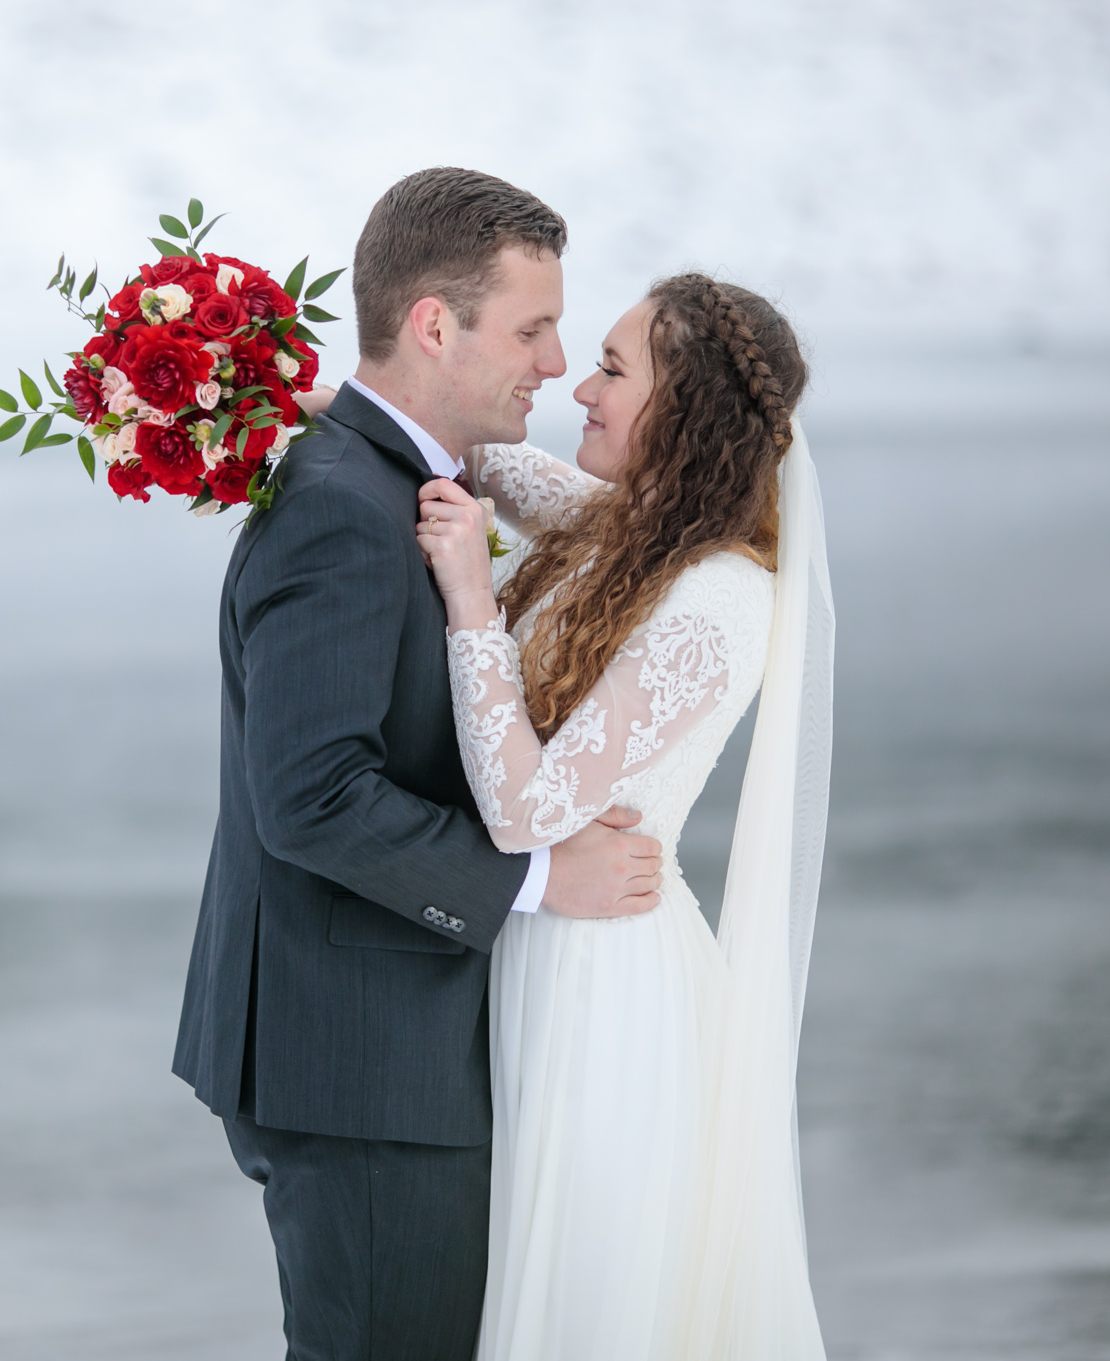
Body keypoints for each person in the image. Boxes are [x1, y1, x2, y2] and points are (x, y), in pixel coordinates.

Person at [171, 169, 669, 1361]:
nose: (553, 365)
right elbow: (312, 800)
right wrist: (546, 882)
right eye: (532, 329)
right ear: (435, 324)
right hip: (358, 1066)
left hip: (378, 1049)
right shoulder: (344, 506)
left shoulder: (399, 479)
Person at [411, 273, 832, 1358]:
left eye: (609, 367)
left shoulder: (719, 598)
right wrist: (271, 392)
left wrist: (471, 601)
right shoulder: (629, 529)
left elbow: (523, 809)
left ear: (684, 410)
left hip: (608, 992)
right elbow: (495, 460)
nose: (577, 388)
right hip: (547, 954)